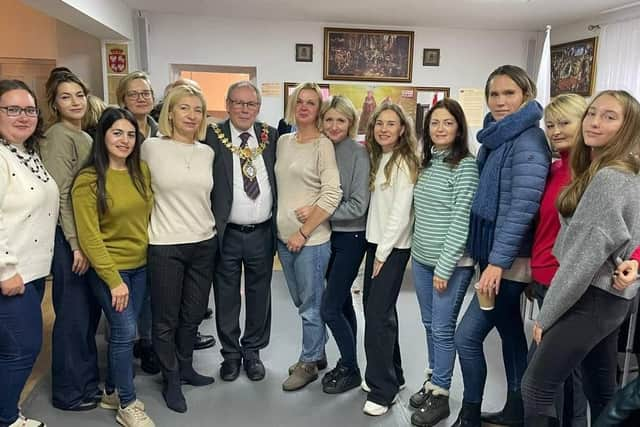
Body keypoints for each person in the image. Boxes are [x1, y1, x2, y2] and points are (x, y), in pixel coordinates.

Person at [522, 90, 640, 426]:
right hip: (610, 299)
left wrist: (546, 315)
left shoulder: (609, 178)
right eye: (593, 113)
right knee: (601, 389)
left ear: (628, 127)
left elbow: (580, 259)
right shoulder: (620, 170)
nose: (595, 122)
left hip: (590, 297)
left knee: (536, 388)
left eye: (609, 117)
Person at [453, 65, 551, 427]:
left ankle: (469, 414)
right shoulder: (499, 137)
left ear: (526, 94)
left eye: (509, 93)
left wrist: (496, 264)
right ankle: (516, 410)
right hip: (496, 255)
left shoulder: (527, 141)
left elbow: (520, 208)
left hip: (508, 261)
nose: (500, 101)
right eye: (494, 94)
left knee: (467, 337)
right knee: (511, 333)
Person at [72, 107, 155, 427]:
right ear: (102, 136)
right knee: (123, 332)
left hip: (141, 266)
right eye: (117, 133)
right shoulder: (89, 179)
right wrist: (113, 279)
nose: (125, 140)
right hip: (111, 270)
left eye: (130, 134)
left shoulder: (141, 171)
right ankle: (128, 404)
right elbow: (90, 237)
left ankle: (111, 391)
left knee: (126, 334)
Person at [142, 83, 216, 413]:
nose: (191, 115)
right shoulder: (150, 148)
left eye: (198, 109)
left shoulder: (207, 151)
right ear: (170, 111)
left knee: (193, 315)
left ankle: (186, 367)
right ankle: (170, 379)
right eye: (184, 108)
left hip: (204, 241)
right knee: (166, 319)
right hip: (165, 244)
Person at [409, 99, 479, 427]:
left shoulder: (465, 165)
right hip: (422, 259)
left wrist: (445, 265)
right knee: (428, 324)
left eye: (447, 123)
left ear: (459, 128)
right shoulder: (428, 162)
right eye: (435, 123)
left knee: (442, 328)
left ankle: (441, 394)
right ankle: (433, 378)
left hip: (449, 264)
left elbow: (460, 219)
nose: (440, 129)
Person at [203, 81, 278, 382]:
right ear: (228, 104)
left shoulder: (270, 136)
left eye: (251, 104)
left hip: (262, 232)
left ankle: (253, 352)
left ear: (258, 107)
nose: (245, 109)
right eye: (238, 103)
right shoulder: (212, 136)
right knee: (227, 295)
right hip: (227, 233)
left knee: (260, 295)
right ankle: (231, 355)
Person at [40, 69, 102, 412]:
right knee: (73, 318)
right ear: (54, 103)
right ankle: (68, 392)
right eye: (66, 97)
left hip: (85, 240)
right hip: (71, 243)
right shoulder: (58, 137)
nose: (75, 102)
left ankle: (86, 383)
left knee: (86, 317)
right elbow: (61, 195)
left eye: (79, 95)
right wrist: (76, 244)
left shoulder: (83, 136)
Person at [527, 94, 589, 427]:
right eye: (550, 124)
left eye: (565, 122)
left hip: (568, 284)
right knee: (558, 376)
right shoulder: (553, 169)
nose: (555, 130)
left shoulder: (595, 173)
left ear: (584, 122)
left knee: (554, 375)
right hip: (542, 279)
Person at [275, 82, 342, 392]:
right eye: (299, 101)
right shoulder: (284, 141)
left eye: (311, 103)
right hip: (283, 239)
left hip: (311, 241)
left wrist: (304, 232)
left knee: (311, 305)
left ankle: (309, 362)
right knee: (303, 300)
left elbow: (332, 194)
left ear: (319, 110)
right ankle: (318, 352)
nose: (304, 107)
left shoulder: (323, 145)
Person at [0, 79, 58, 427]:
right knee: (22, 349)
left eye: (29, 110)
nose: (23, 116)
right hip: (12, 273)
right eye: (12, 109)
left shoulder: (25, 153)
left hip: (33, 272)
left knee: (12, 349)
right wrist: (5, 269)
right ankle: (7, 418)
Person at [362, 103, 420, 416]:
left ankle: (381, 391)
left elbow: (400, 213)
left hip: (392, 248)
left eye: (391, 124)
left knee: (375, 318)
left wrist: (383, 253)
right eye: (379, 123)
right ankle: (393, 376)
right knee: (381, 314)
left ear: (402, 129)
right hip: (377, 244)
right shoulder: (379, 157)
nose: (384, 129)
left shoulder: (404, 162)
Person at [319, 96, 370, 394]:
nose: (334, 125)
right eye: (329, 119)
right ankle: (349, 362)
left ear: (350, 123)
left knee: (329, 308)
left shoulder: (358, 155)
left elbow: (358, 205)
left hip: (351, 236)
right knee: (341, 303)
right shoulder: (323, 149)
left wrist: (318, 214)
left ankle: (350, 367)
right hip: (328, 235)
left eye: (341, 120)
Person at [116, 70, 160, 375]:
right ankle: (124, 346)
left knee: (151, 293)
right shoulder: (119, 132)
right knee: (125, 297)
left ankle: (147, 342)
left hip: (157, 221)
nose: (141, 98)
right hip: (126, 222)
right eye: (134, 94)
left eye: (145, 93)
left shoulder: (162, 129)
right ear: (122, 100)